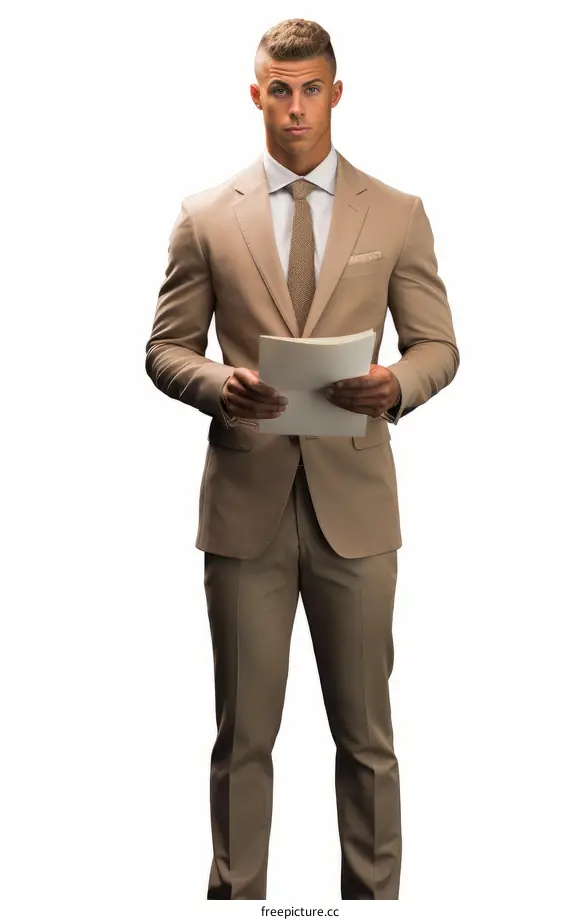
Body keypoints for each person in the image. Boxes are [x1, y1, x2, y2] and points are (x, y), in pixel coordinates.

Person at [145, 17, 459, 901]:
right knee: (243, 736)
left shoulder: (395, 212)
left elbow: (439, 346)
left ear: (336, 94)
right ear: (256, 95)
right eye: (279, 90)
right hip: (244, 509)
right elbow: (166, 348)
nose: (295, 107)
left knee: (367, 738)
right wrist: (219, 384)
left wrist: (395, 384)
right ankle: (236, 901)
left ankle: (373, 904)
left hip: (354, 510)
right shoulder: (206, 216)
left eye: (311, 89)